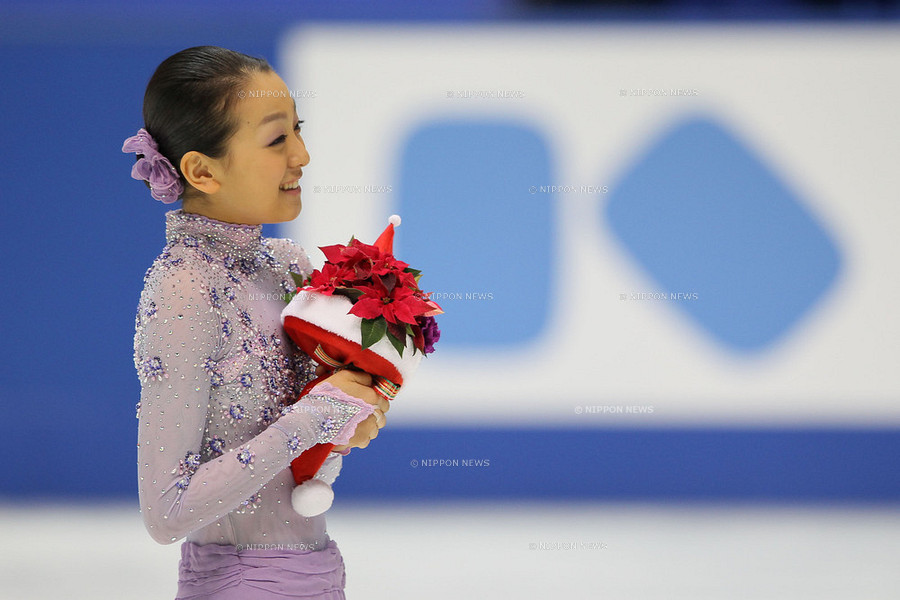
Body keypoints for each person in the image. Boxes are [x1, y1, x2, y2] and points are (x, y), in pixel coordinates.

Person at [127, 46, 388, 599]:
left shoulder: (288, 267)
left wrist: (344, 424)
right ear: (202, 170)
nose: (303, 155)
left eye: (299, 129)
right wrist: (319, 416)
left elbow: (290, 440)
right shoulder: (184, 288)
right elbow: (166, 512)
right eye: (277, 139)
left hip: (318, 576)